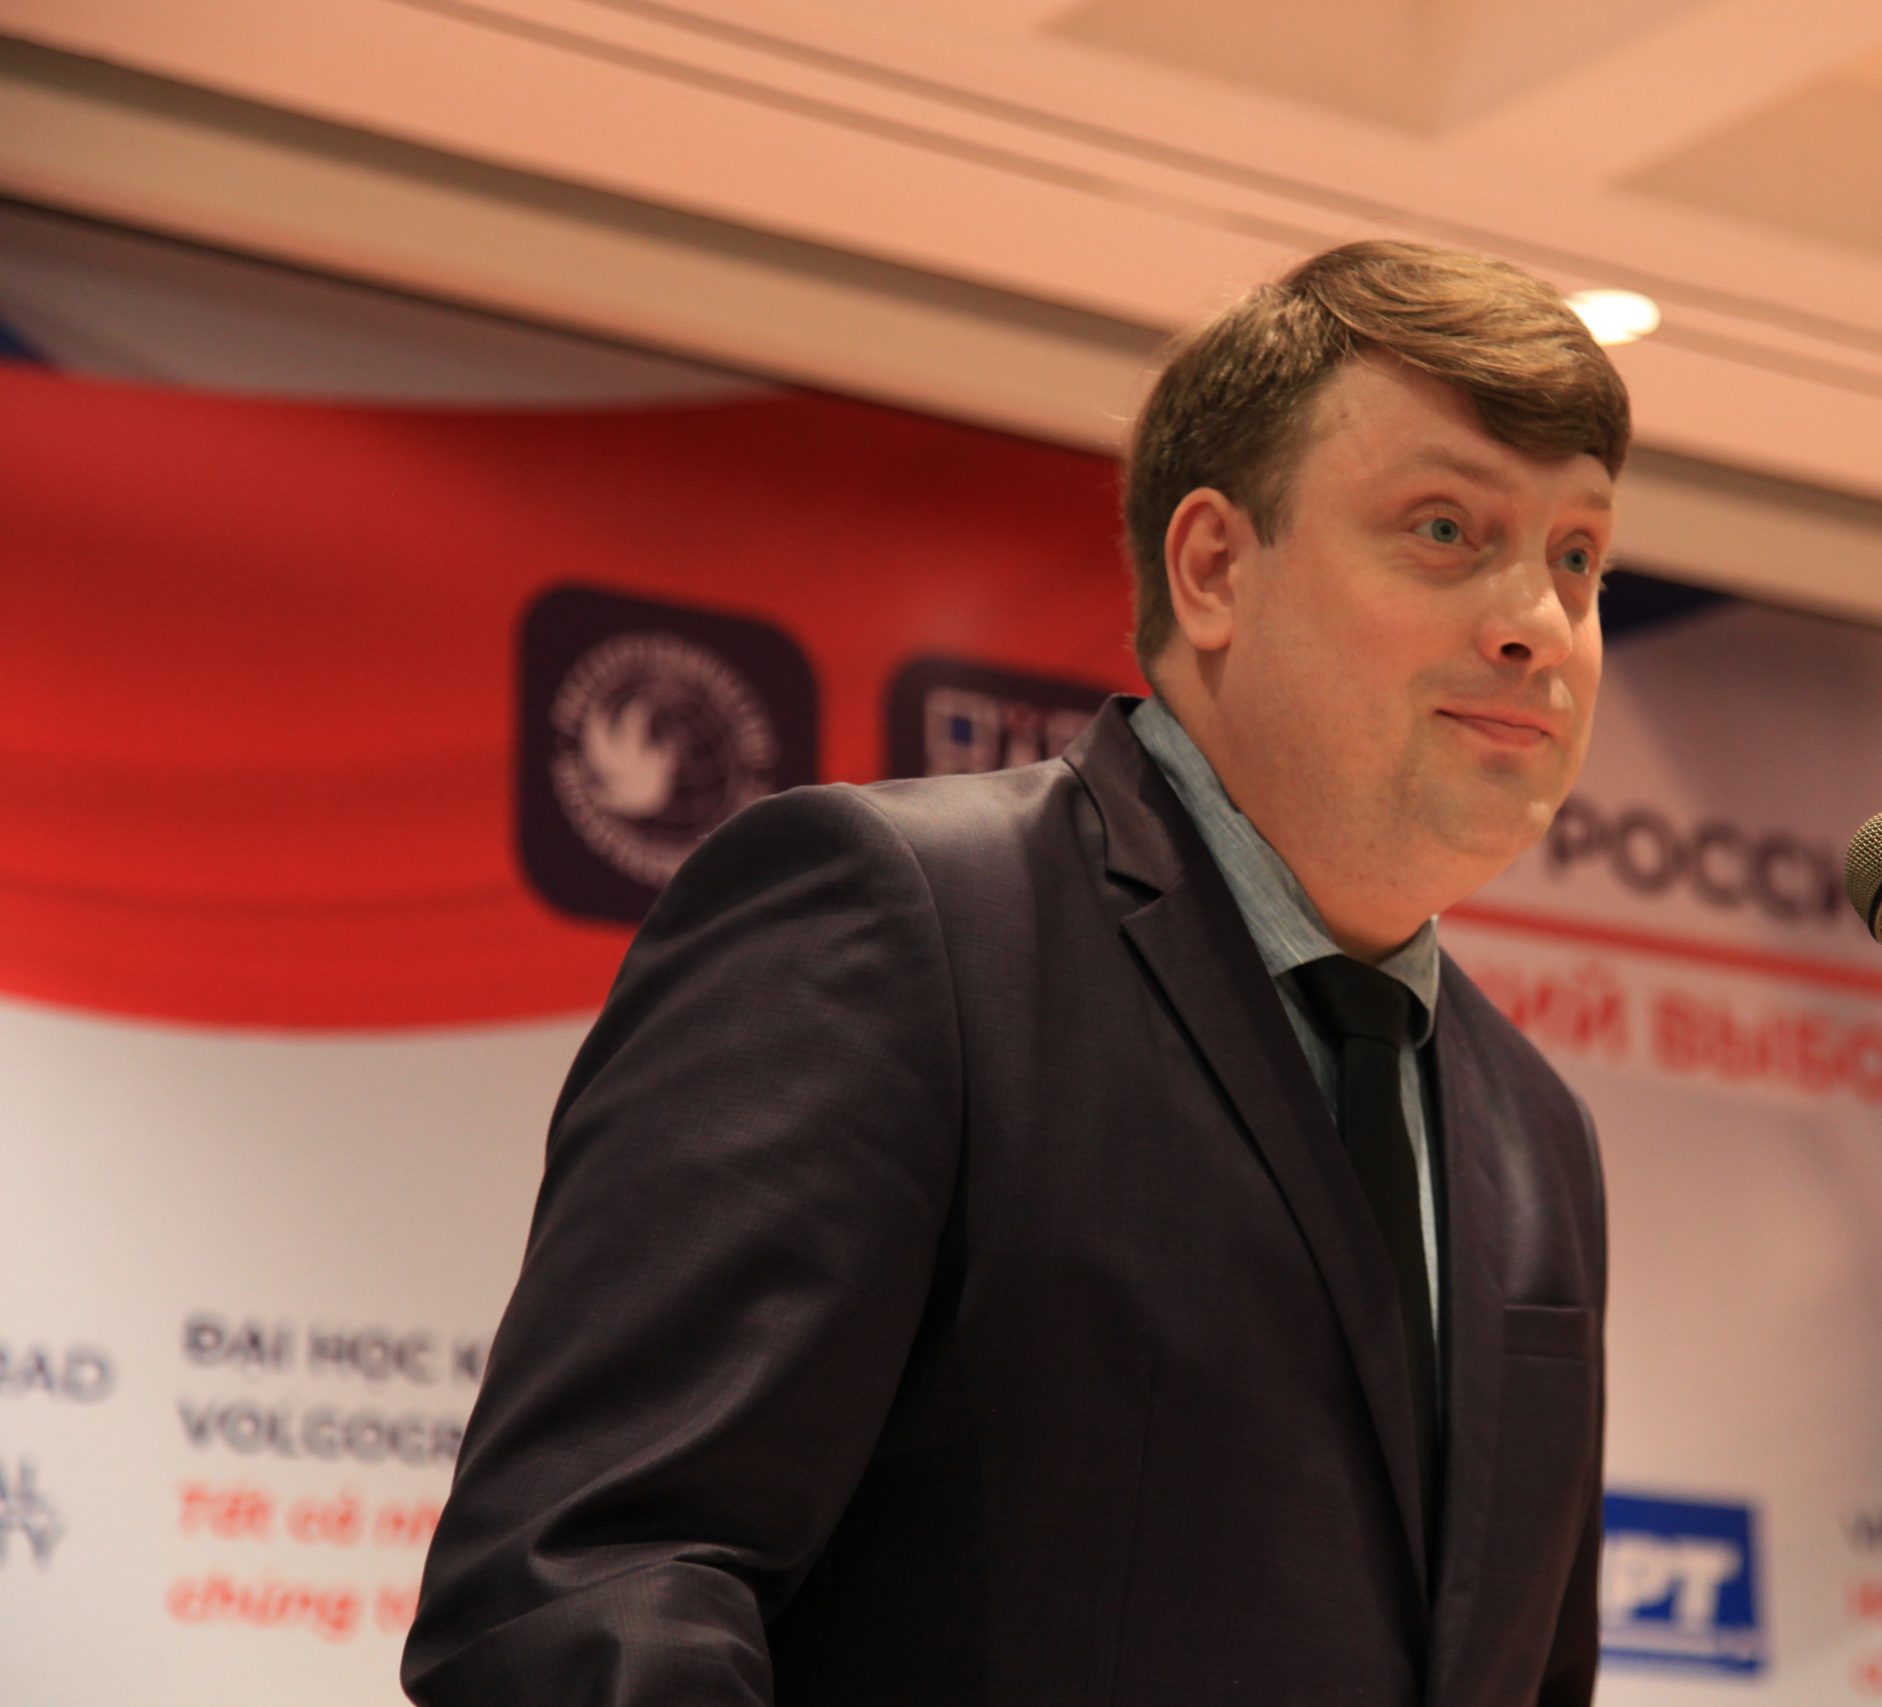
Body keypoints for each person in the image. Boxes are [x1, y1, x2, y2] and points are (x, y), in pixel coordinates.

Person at [403, 239, 1629, 1707]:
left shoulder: (1535, 1133)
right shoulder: (898, 921)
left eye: (1578, 556)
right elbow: (587, 1587)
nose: (1538, 623)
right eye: (1444, 528)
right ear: (1215, 568)